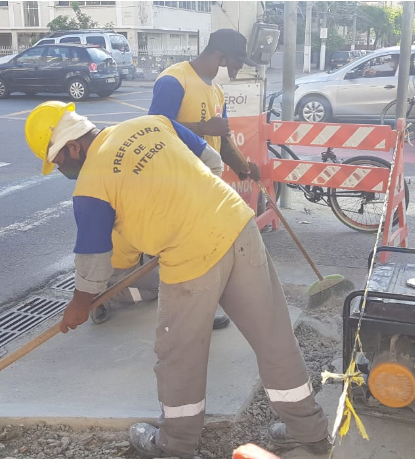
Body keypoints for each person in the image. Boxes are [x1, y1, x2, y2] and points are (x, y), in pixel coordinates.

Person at [24, 102, 333, 459]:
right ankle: (310, 433)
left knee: (179, 357)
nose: (64, 169)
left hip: (190, 258)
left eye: (59, 161)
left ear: (73, 147)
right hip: (236, 223)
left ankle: (176, 446)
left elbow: (93, 261)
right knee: (274, 337)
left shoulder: (92, 185)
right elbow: (213, 164)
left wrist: (79, 306)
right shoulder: (152, 123)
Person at [91, 28, 257, 328]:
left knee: (200, 252)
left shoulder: (217, 91)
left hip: (202, 186)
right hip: (172, 187)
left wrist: (244, 166)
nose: (238, 68)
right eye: (235, 61)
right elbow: (153, 128)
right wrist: (203, 127)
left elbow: (223, 137)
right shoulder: (174, 80)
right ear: (220, 56)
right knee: (188, 255)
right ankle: (112, 295)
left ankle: (193, 307)